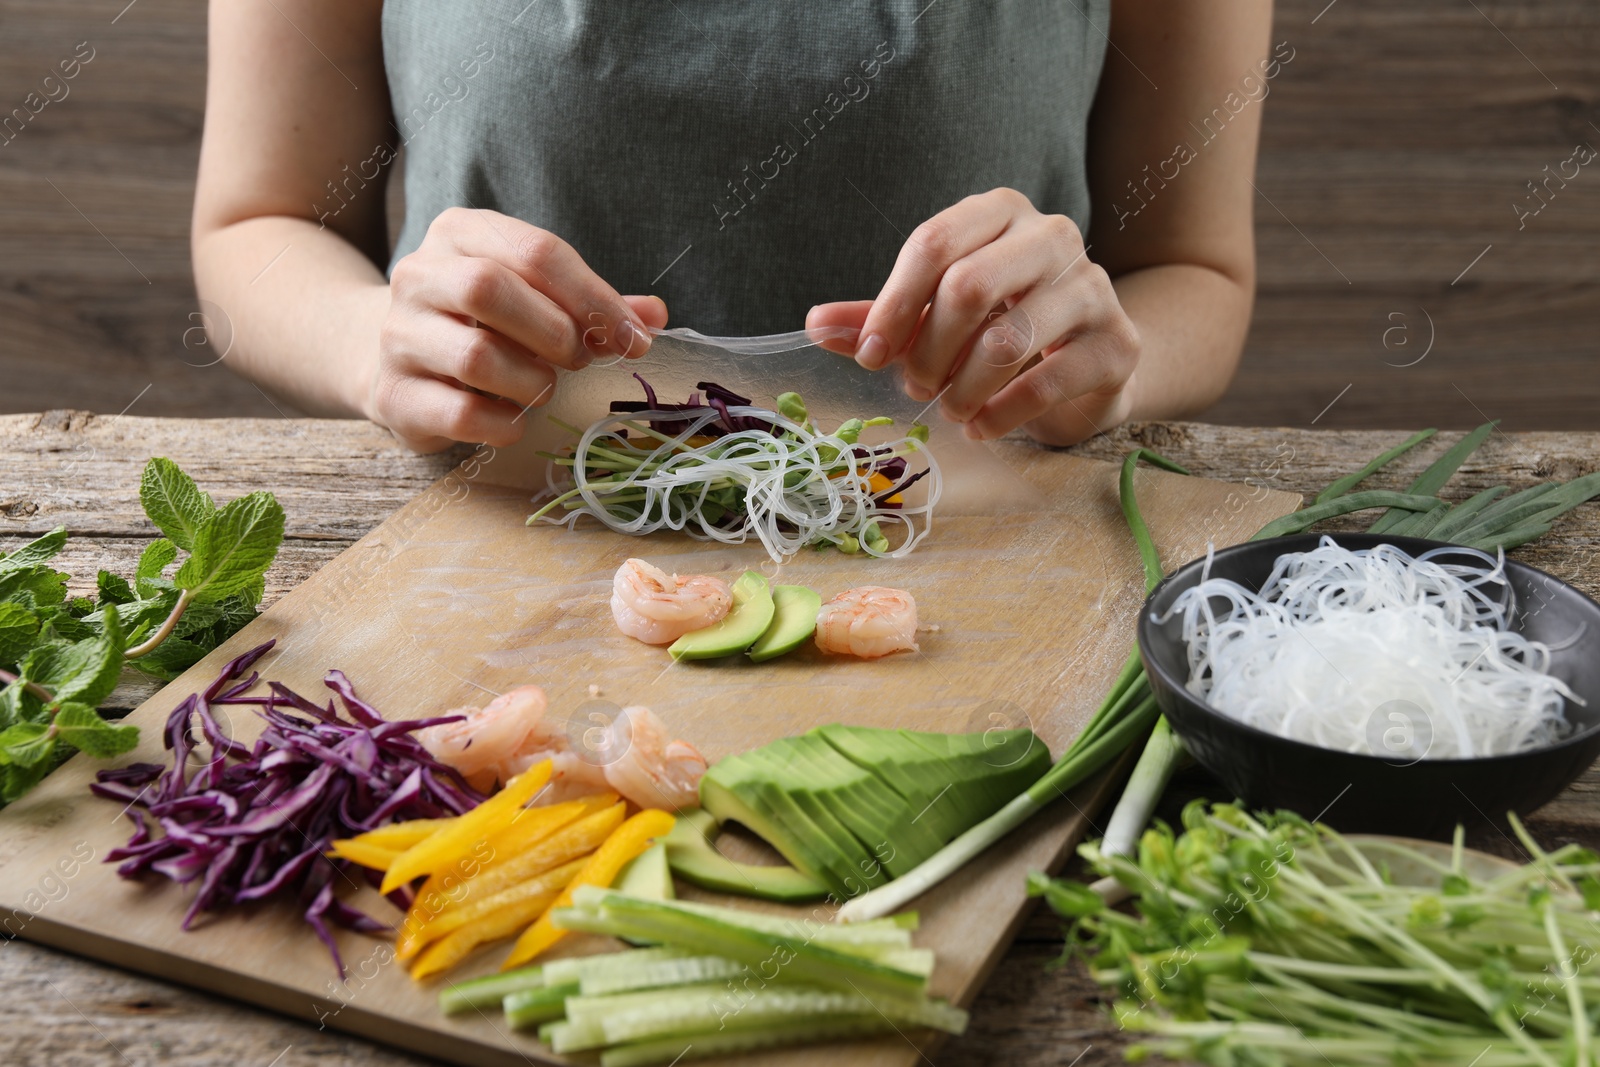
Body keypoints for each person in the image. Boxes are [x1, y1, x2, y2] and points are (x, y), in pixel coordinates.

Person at [192, 2, 1275, 453]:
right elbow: (255, 221)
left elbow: (1196, 270)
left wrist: (1106, 373)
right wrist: (370, 342)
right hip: (494, 535)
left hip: (990, 547)